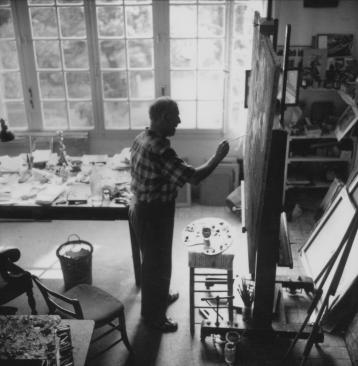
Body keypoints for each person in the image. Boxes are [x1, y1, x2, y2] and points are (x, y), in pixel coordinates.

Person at [129, 97, 229, 333]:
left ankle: (158, 299)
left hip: (142, 209)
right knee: (157, 266)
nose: (179, 121)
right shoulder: (161, 149)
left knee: (154, 263)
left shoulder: (141, 137)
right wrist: (217, 157)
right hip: (153, 214)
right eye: (176, 117)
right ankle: (154, 318)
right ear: (164, 117)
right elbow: (194, 177)